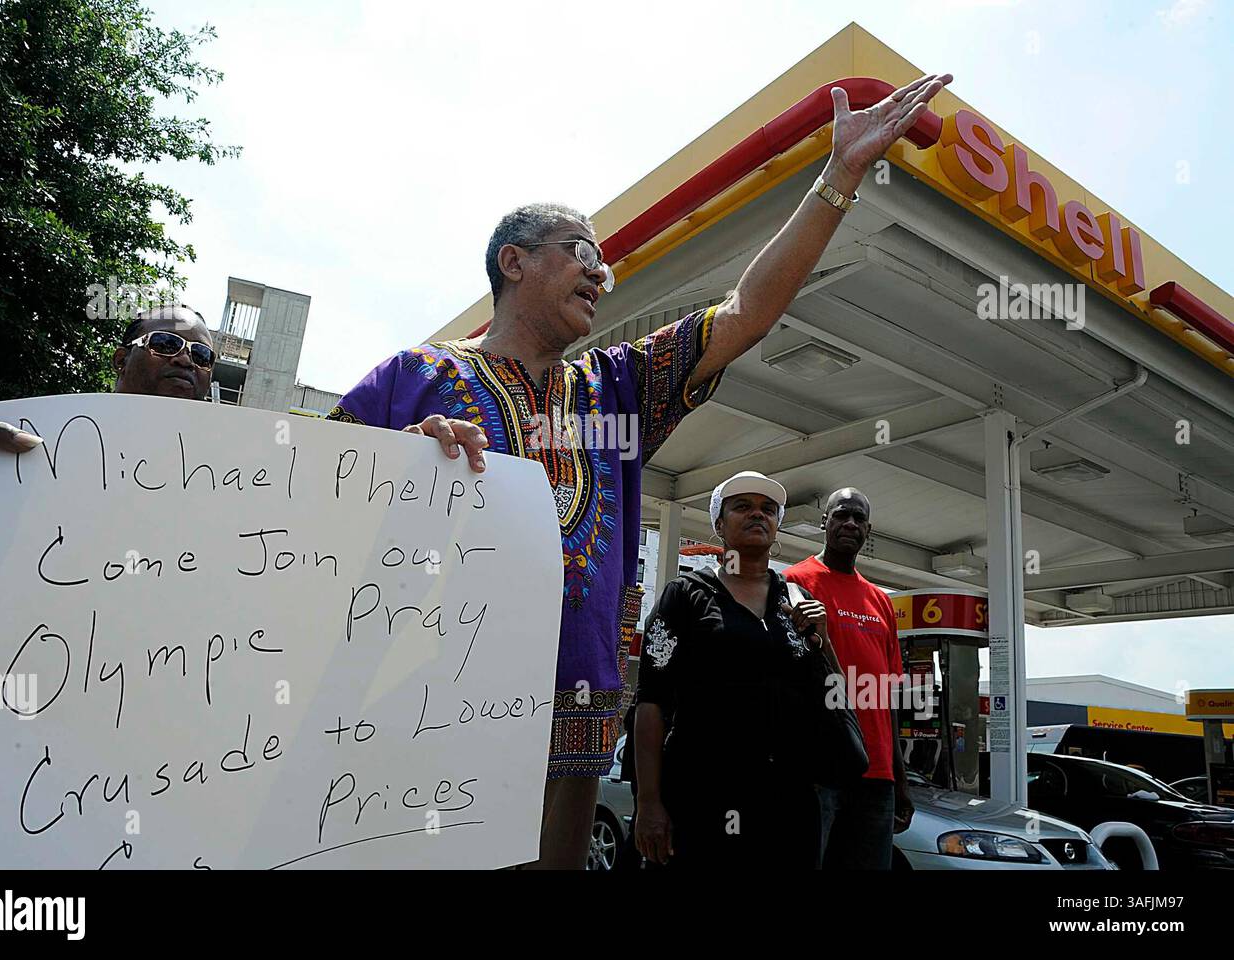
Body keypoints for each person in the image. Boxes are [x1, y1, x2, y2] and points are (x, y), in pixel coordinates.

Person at [326, 74, 950, 868]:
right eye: (580, 252)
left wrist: (839, 179)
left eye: (605, 265)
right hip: (420, 698)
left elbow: (744, 315)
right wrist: (408, 452)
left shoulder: (611, 388)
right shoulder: (410, 376)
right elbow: (314, 507)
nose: (599, 272)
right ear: (512, 262)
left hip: (576, 709)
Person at [0, 305, 216, 866]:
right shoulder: (36, 443)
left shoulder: (244, 477)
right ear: (121, 356)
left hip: (167, 769)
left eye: (204, 355)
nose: (187, 358)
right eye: (165, 342)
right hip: (11, 748)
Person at [631, 471, 833, 867]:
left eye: (768, 509)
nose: (758, 514)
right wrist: (649, 802)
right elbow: (650, 701)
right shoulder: (686, 596)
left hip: (788, 803)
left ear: (777, 527)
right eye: (742, 506)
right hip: (702, 797)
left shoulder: (796, 600)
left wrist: (823, 639)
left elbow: (833, 694)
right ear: (719, 525)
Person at [782, 487, 914, 869]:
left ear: (868, 531)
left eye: (859, 518)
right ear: (825, 521)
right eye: (841, 515)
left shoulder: (881, 601)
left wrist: (899, 778)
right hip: (817, 771)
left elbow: (886, 695)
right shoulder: (795, 581)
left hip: (876, 777)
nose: (850, 524)